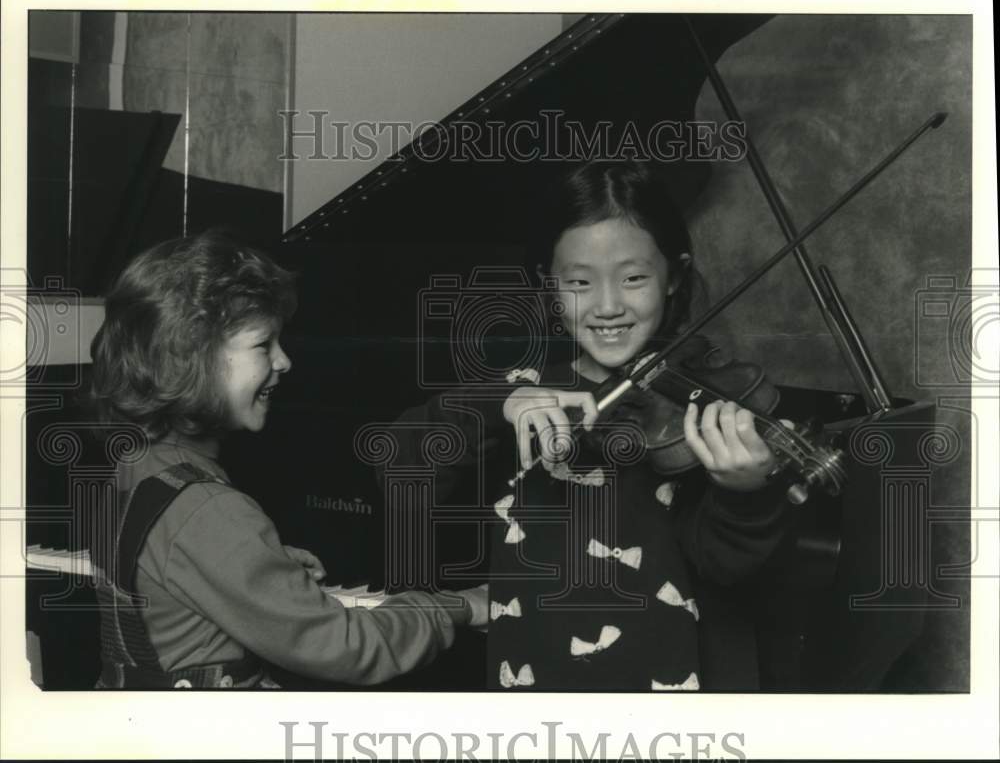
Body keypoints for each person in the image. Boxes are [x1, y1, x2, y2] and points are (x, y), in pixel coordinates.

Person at [381, 161, 793, 691]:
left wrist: (744, 496)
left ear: (675, 277)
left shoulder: (703, 410)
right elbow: (399, 462)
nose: (607, 306)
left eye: (634, 278)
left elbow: (727, 571)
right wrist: (494, 402)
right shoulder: (521, 392)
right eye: (579, 282)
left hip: (672, 698)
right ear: (549, 287)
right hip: (533, 687)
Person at [88, 230, 487, 689]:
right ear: (188, 360)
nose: (284, 361)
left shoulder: (137, 467)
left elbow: (167, 566)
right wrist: (459, 606)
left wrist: (257, 565)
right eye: (263, 345)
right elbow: (348, 648)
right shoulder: (209, 512)